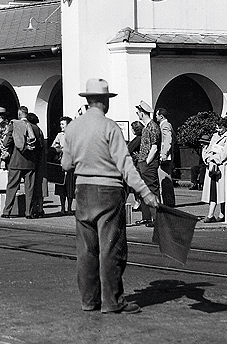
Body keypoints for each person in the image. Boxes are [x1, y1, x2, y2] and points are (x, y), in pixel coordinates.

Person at [61, 78, 159, 315]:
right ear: (105, 101)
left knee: (86, 249)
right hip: (108, 192)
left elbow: (65, 164)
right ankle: (113, 301)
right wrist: (146, 194)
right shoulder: (110, 127)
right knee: (111, 248)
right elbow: (126, 166)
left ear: (86, 100)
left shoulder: (72, 127)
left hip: (82, 192)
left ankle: (89, 301)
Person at [1, 106, 39, 218]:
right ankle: (29, 212)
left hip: (16, 161)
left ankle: (7, 211)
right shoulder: (34, 127)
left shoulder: (14, 125)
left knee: (12, 186)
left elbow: (6, 142)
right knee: (29, 188)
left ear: (19, 113)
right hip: (30, 162)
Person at [201, 121, 227, 222]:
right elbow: (209, 149)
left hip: (223, 167)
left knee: (223, 191)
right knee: (214, 190)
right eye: (217, 128)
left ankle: (221, 214)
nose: (218, 130)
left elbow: (226, 152)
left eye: (220, 128)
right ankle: (211, 214)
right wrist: (208, 158)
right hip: (213, 167)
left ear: (225, 127)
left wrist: (214, 159)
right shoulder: (214, 136)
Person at [134, 101, 160, 228]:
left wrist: (147, 162)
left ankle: (156, 218)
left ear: (142, 113)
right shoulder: (147, 127)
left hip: (148, 164)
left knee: (152, 190)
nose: (137, 114)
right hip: (143, 162)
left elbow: (154, 147)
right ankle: (146, 217)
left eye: (138, 112)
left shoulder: (153, 127)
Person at [51, 117, 75, 215]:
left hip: (71, 164)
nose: (61, 126)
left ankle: (69, 207)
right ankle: (62, 207)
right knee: (61, 187)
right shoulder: (60, 135)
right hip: (61, 163)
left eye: (63, 124)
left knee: (70, 187)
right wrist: (57, 148)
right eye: (60, 124)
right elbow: (53, 146)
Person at [26, 111, 46, 218]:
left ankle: (35, 209)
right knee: (39, 186)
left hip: (35, 161)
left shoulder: (31, 129)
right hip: (40, 160)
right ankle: (40, 208)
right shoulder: (40, 130)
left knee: (34, 186)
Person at [155, 107, 176, 206]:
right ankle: (168, 201)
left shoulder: (165, 125)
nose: (156, 116)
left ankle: (168, 202)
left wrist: (164, 153)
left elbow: (168, 140)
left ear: (161, 116)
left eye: (157, 115)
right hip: (166, 156)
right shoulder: (165, 125)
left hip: (165, 157)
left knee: (164, 179)